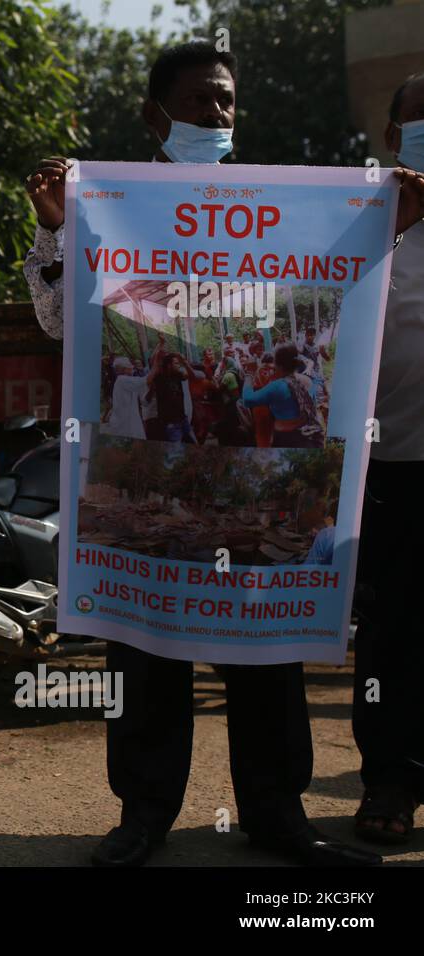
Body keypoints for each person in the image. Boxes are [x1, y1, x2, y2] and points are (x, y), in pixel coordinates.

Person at [21, 39, 393, 867]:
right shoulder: (102, 203)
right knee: (147, 650)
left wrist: (384, 231)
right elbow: (58, 324)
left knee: (265, 647)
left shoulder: (284, 208)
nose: (215, 116)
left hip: (249, 475)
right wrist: (56, 231)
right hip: (153, 463)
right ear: (155, 114)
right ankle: (143, 817)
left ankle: (279, 816)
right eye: (197, 102)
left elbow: (340, 294)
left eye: (225, 101)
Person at [352, 71, 424, 847]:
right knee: (393, 631)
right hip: (396, 469)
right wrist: (393, 233)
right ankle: (390, 782)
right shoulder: (370, 232)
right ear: (393, 141)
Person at [241, 343, 322, 448]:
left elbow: (247, 400)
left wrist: (249, 374)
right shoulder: (307, 380)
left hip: (288, 440)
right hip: (310, 436)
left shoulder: (278, 386)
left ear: (278, 365)